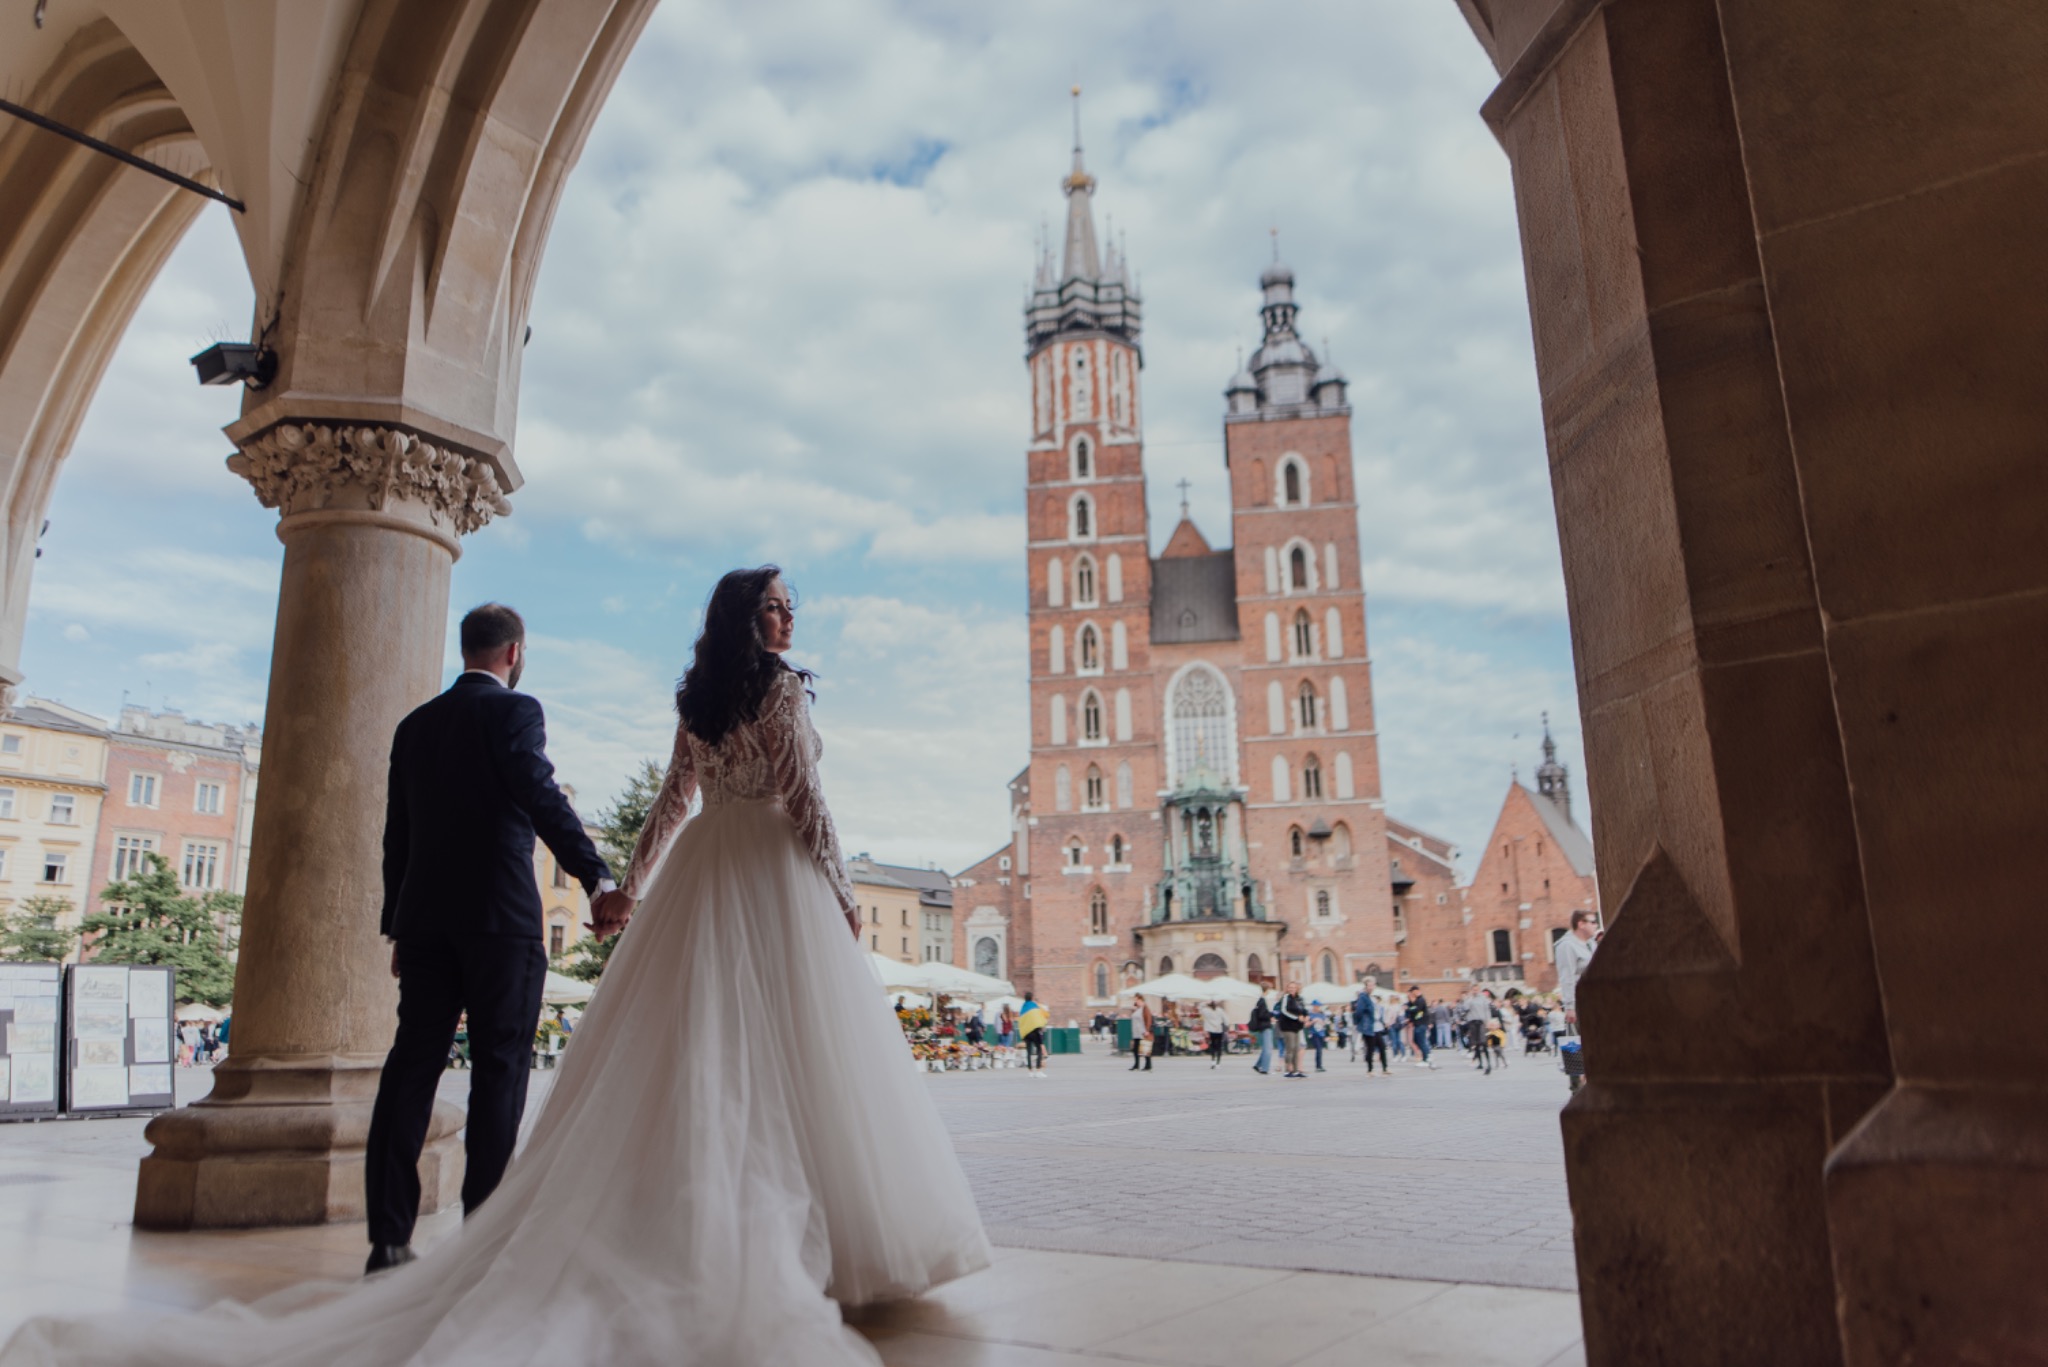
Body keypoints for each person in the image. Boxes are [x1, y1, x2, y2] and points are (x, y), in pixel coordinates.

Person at [4, 568, 990, 1367]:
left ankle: (405, 1233)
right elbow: (793, 797)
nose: (786, 617)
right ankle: (530, 1219)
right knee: (692, 1057)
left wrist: (628, 882)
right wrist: (823, 887)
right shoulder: (747, 693)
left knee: (458, 1059)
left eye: (790, 607)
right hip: (692, 883)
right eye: (775, 604)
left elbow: (663, 807)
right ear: (510, 653)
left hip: (607, 890)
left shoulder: (653, 701)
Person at [359, 603, 617, 1276]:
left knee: (411, 1063)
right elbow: (540, 794)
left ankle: (387, 1235)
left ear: (468, 647)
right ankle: (482, 1233)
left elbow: (398, 836)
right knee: (499, 1066)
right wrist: (595, 876)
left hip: (423, 920)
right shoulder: (515, 712)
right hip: (499, 919)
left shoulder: (414, 725)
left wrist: (398, 921)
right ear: (514, 652)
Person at [1555, 910, 1599, 1028]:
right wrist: (1570, 1007)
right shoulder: (1567, 946)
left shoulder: (1592, 944)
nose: (1596, 925)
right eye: (1593, 922)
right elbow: (1567, 977)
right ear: (1581, 924)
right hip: (1581, 1001)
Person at [1275, 981, 1309, 1078]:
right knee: (1290, 1048)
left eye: (1294, 987)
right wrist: (1296, 1017)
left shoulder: (1299, 998)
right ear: (1287, 988)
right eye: (1290, 987)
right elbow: (1284, 1010)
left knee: (1296, 1048)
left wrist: (1306, 1016)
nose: (1292, 989)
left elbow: (1303, 1009)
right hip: (1287, 1026)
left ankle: (1295, 1070)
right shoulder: (1286, 998)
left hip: (1297, 1026)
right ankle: (1287, 1069)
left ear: (1297, 988)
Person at [1353, 988, 1388, 1076]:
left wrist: (1383, 1022)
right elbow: (1358, 1013)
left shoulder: (1374, 1004)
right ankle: (1370, 1069)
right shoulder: (1363, 1002)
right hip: (1369, 1028)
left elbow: (1378, 1015)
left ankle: (1385, 1068)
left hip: (1377, 1027)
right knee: (1370, 1048)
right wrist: (1359, 1023)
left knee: (1382, 1047)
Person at [1462, 984, 1494, 1075]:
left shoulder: (1483, 998)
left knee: (1483, 1042)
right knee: (1475, 1043)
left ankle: (1488, 1064)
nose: (1475, 991)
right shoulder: (1469, 999)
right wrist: (1470, 997)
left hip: (1481, 1022)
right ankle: (1480, 1063)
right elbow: (1465, 1008)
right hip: (1472, 1022)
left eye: (1476, 989)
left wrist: (1488, 1021)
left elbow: (1487, 1010)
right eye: (1473, 990)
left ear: (1479, 990)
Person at [1018, 992, 1049, 1075]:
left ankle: (1030, 1071)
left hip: (1026, 1032)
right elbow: (1039, 1017)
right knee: (1039, 1049)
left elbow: (1021, 1021)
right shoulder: (1035, 1006)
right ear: (1032, 997)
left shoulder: (1022, 1008)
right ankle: (1038, 1070)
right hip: (1035, 1031)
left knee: (1028, 1051)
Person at [1405, 986, 1434, 1068]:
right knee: (1416, 1040)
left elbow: (1417, 1009)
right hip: (1418, 1023)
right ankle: (1426, 1056)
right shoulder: (1417, 1000)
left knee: (1421, 1041)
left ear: (1416, 991)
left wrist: (1408, 1008)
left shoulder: (1421, 1000)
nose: (1411, 993)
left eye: (1412, 991)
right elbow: (1414, 1009)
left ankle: (1426, 1058)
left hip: (1421, 1023)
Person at [1248, 990, 1275, 1074]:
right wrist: (1271, 1014)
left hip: (1262, 1027)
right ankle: (1265, 1069)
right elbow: (1262, 1015)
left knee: (1265, 1049)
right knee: (1268, 1049)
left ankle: (1258, 1065)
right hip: (1265, 1027)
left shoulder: (1260, 1001)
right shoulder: (1263, 1001)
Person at [1127, 994, 1154, 1072]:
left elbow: (1148, 1019)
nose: (1135, 1001)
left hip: (1143, 1032)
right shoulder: (1137, 1009)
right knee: (1135, 1049)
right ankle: (1136, 1064)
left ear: (1141, 1000)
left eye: (1136, 999)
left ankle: (1148, 1065)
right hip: (1136, 1032)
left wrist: (1147, 1030)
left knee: (1145, 1049)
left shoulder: (1145, 1008)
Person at [1200, 1000, 1228, 1068]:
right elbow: (1226, 1020)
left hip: (1210, 1030)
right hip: (1219, 1030)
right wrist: (1226, 1026)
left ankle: (1213, 1062)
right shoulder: (1220, 1010)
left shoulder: (1206, 1011)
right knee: (1219, 1046)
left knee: (1212, 1045)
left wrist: (1205, 1003)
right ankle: (1218, 1063)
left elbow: (1200, 1007)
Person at [1305, 1006, 1330, 1073]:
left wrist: (1322, 1022)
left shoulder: (1322, 1014)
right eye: (1316, 1006)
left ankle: (1319, 1065)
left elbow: (1325, 1024)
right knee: (1318, 1049)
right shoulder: (1310, 1015)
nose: (1318, 1008)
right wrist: (1313, 1021)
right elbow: (1306, 1025)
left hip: (1321, 1034)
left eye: (1319, 1006)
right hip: (1314, 1034)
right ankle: (1318, 1066)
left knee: (1320, 1050)